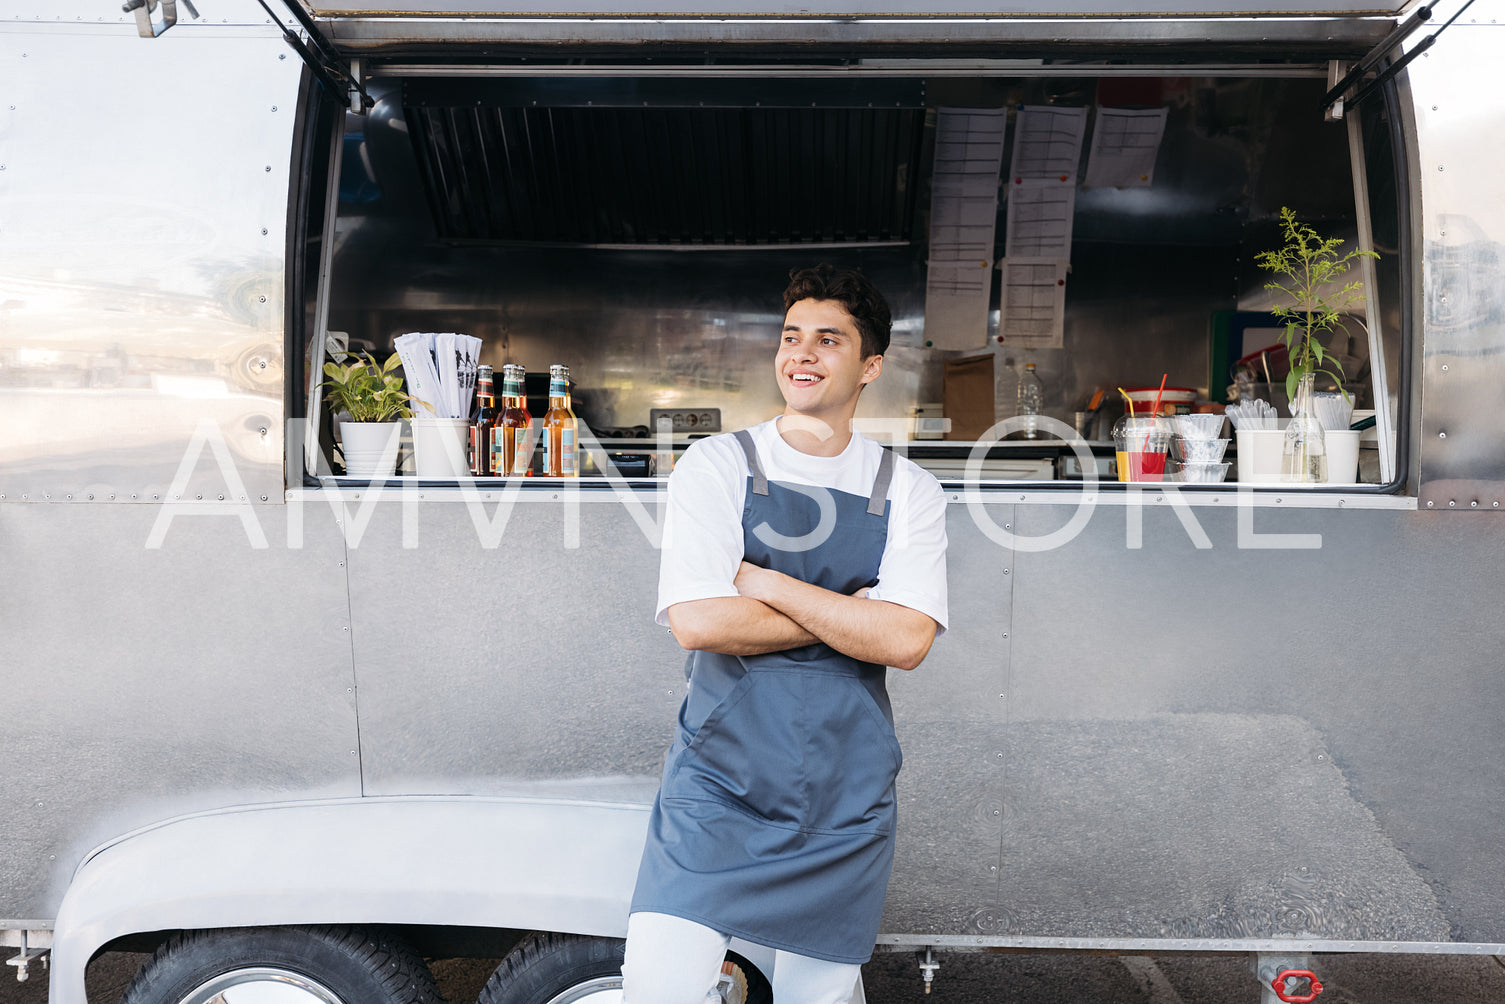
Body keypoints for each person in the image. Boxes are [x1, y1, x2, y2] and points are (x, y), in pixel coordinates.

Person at [624, 265, 949, 1003]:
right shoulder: (716, 464)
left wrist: (763, 581)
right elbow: (700, 621)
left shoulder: (909, 490)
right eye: (791, 336)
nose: (801, 353)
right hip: (719, 785)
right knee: (657, 986)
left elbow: (905, 642)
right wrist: (849, 611)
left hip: (845, 790)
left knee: (820, 997)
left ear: (870, 365)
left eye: (827, 339)